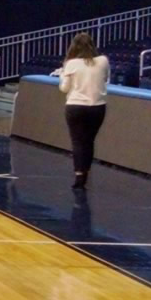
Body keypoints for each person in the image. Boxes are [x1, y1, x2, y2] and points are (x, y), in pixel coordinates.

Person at [57, 31, 111, 190]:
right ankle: (86, 172)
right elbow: (105, 78)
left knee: (77, 141)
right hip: (97, 107)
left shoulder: (71, 64)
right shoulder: (103, 61)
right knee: (89, 141)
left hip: (76, 106)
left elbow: (64, 88)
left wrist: (62, 76)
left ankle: (79, 175)